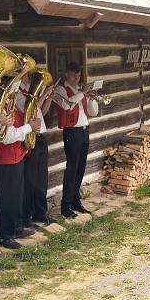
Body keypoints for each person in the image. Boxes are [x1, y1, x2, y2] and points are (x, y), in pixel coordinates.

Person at [0, 84, 42, 249]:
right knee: (7, 198)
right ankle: (4, 234)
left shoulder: (12, 105)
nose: (14, 95)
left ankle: (16, 227)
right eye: (12, 92)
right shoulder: (0, 107)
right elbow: (6, 137)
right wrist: (29, 127)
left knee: (16, 196)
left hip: (17, 156)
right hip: (5, 158)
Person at [55, 61, 99, 218]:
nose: (76, 78)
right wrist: (82, 93)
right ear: (67, 74)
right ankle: (65, 205)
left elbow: (93, 113)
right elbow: (67, 105)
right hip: (71, 132)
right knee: (72, 167)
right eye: (74, 75)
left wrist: (93, 98)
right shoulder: (61, 89)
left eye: (79, 75)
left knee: (81, 167)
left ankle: (75, 200)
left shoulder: (81, 91)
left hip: (84, 130)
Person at [19, 73, 56, 227]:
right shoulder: (17, 94)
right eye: (27, 73)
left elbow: (42, 111)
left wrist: (49, 98)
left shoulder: (30, 91)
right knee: (30, 180)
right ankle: (27, 216)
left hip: (41, 136)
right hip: (30, 137)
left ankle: (40, 213)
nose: (29, 76)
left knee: (42, 178)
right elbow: (31, 108)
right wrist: (44, 94)